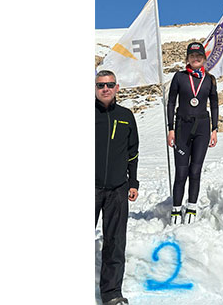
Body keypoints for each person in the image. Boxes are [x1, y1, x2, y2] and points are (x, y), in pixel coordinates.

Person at [94, 70, 139, 305]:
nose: (105, 88)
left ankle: (111, 294)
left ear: (117, 87)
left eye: (109, 84)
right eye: (101, 85)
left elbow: (134, 152)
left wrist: (133, 182)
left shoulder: (125, 115)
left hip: (118, 189)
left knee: (115, 241)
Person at [165, 42, 219, 224]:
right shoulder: (179, 77)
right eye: (192, 56)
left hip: (203, 127)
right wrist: (170, 128)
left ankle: (192, 206)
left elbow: (214, 104)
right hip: (182, 127)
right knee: (181, 172)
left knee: (195, 170)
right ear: (187, 58)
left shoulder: (209, 79)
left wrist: (215, 129)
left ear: (204, 58)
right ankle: (176, 208)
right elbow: (171, 102)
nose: (195, 58)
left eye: (199, 56)